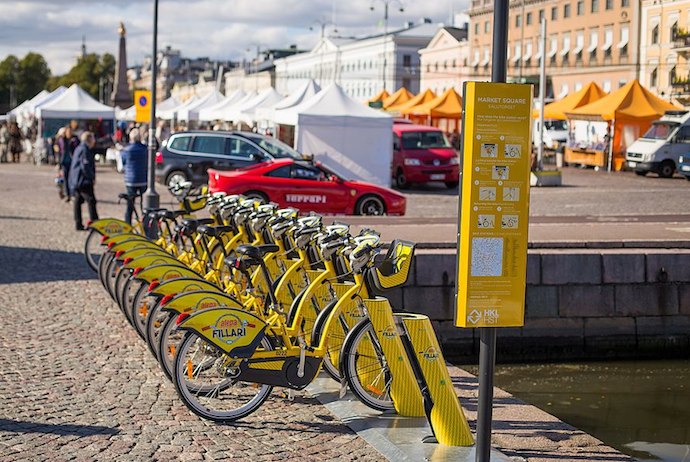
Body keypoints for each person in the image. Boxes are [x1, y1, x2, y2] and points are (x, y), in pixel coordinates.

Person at [68, 131, 99, 231]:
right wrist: (91, 177)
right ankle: (95, 223)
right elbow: (85, 166)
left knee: (78, 201)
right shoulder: (84, 150)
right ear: (89, 140)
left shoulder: (79, 148)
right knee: (91, 201)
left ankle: (78, 223)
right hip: (83, 180)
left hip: (76, 179)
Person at [120, 128, 148, 224]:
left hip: (130, 180)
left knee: (130, 204)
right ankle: (145, 223)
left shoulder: (126, 150)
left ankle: (128, 223)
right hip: (143, 179)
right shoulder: (145, 149)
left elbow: (123, 163)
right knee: (144, 204)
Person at [58, 126, 79, 201]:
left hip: (73, 162)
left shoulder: (75, 139)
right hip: (64, 162)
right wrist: (59, 164)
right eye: (68, 132)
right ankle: (68, 194)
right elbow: (60, 152)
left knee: (72, 179)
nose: (69, 133)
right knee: (66, 179)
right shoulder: (62, 140)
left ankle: (73, 193)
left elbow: (77, 149)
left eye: (70, 131)